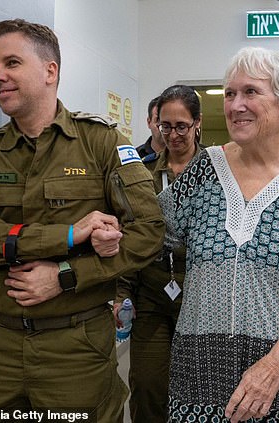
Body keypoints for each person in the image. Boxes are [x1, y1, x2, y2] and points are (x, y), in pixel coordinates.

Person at [0, 19, 165, 420]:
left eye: (11, 63)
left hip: (76, 347)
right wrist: (67, 234)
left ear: (51, 71)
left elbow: (148, 233)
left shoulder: (101, 142)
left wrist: (66, 274)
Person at [158, 46, 279, 422]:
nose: (235, 105)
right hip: (204, 369)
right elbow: (151, 231)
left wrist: (275, 366)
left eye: (250, 92)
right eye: (230, 94)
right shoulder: (205, 167)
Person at [114, 85, 203, 423]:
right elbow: (131, 235)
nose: (173, 135)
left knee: (198, 387)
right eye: (165, 126)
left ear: (197, 123)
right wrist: (123, 292)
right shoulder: (144, 175)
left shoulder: (218, 173)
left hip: (201, 296)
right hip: (152, 290)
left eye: (181, 126)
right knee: (148, 384)